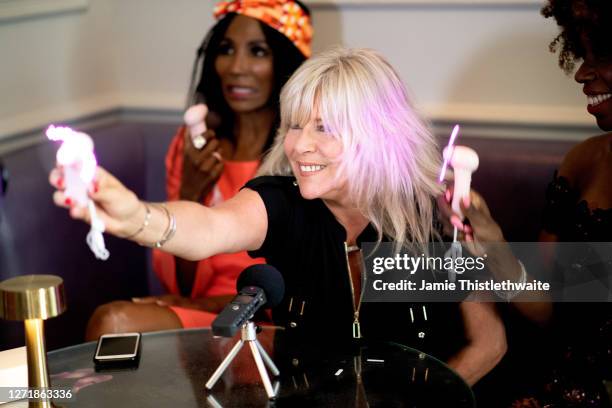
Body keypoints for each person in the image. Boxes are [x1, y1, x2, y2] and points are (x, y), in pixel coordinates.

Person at [51, 47, 507, 386]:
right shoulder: (283, 201)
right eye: (294, 124)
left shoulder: (433, 214)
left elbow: (489, 343)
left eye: (324, 127)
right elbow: (210, 228)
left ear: (379, 135)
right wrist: (136, 218)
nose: (300, 145)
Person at [85, 0, 313, 340]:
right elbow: (177, 282)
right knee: (111, 322)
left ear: (287, 62)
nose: (237, 67)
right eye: (226, 49)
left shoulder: (304, 150)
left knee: (118, 323)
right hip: (198, 313)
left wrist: (210, 306)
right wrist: (191, 191)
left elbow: (303, 284)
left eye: (258, 52)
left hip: (272, 320)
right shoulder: (192, 144)